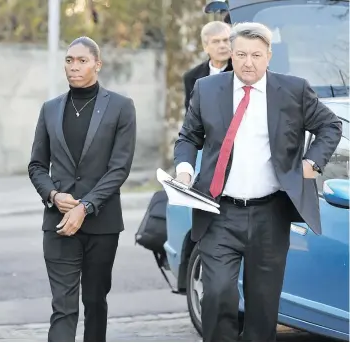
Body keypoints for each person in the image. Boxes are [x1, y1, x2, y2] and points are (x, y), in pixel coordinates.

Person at [174, 22, 342, 341]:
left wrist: (312, 163)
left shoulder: (293, 90)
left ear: (269, 56)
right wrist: (184, 168)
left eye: (255, 55)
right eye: (240, 55)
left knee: (263, 306)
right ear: (231, 56)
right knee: (218, 295)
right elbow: (188, 137)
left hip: (271, 215)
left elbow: (330, 126)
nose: (247, 62)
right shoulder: (208, 90)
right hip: (218, 212)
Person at [28, 36, 136, 342]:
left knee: (94, 301)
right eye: (69, 60)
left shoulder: (121, 107)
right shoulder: (50, 109)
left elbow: (119, 169)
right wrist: (53, 195)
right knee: (63, 306)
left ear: (97, 65)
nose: (74, 67)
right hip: (58, 222)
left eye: (82, 61)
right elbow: (36, 165)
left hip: (102, 224)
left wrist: (85, 207)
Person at [183, 21, 233, 112]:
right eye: (216, 41)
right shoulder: (191, 77)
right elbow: (190, 116)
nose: (222, 46)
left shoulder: (242, 71)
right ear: (205, 47)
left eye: (226, 40)